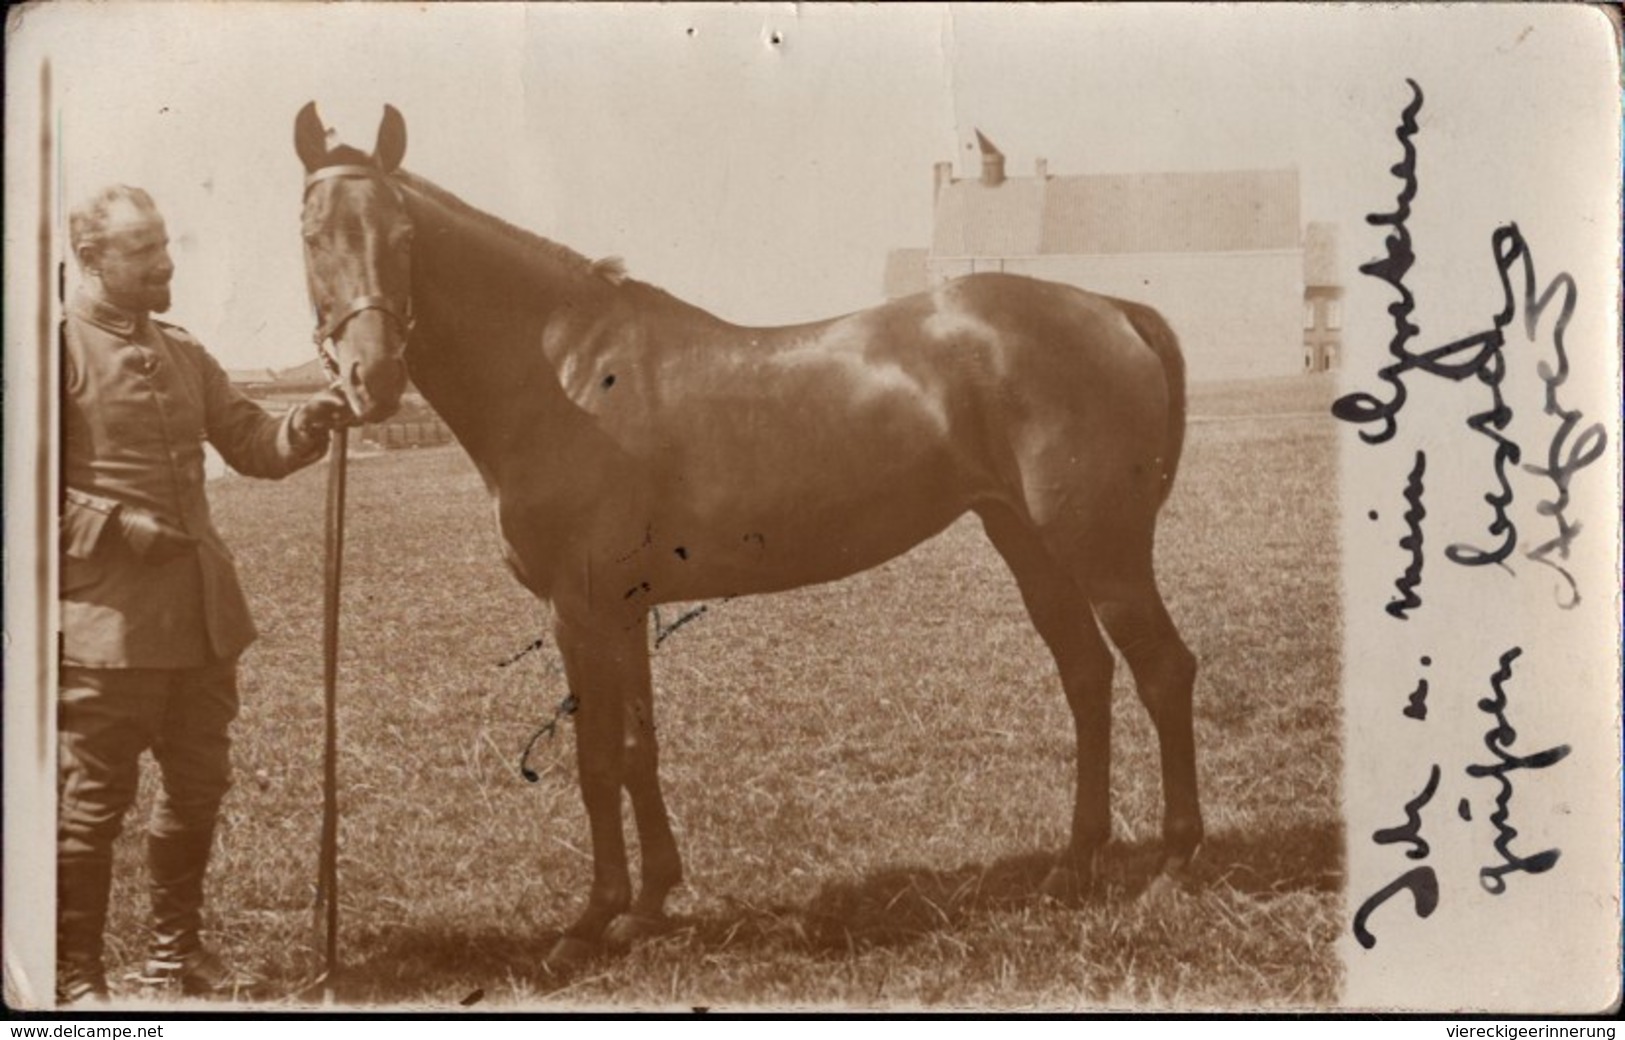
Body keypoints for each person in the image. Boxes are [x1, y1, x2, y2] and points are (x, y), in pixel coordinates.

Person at [57, 184, 354, 1005]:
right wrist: (114, 526)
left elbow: (250, 441)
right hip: (104, 630)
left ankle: (173, 956)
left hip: (202, 624)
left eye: (163, 243)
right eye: (142, 248)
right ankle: (75, 975)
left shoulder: (184, 351)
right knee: (91, 808)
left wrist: (308, 423)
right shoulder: (53, 349)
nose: (165, 260)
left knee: (196, 793)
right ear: (91, 259)